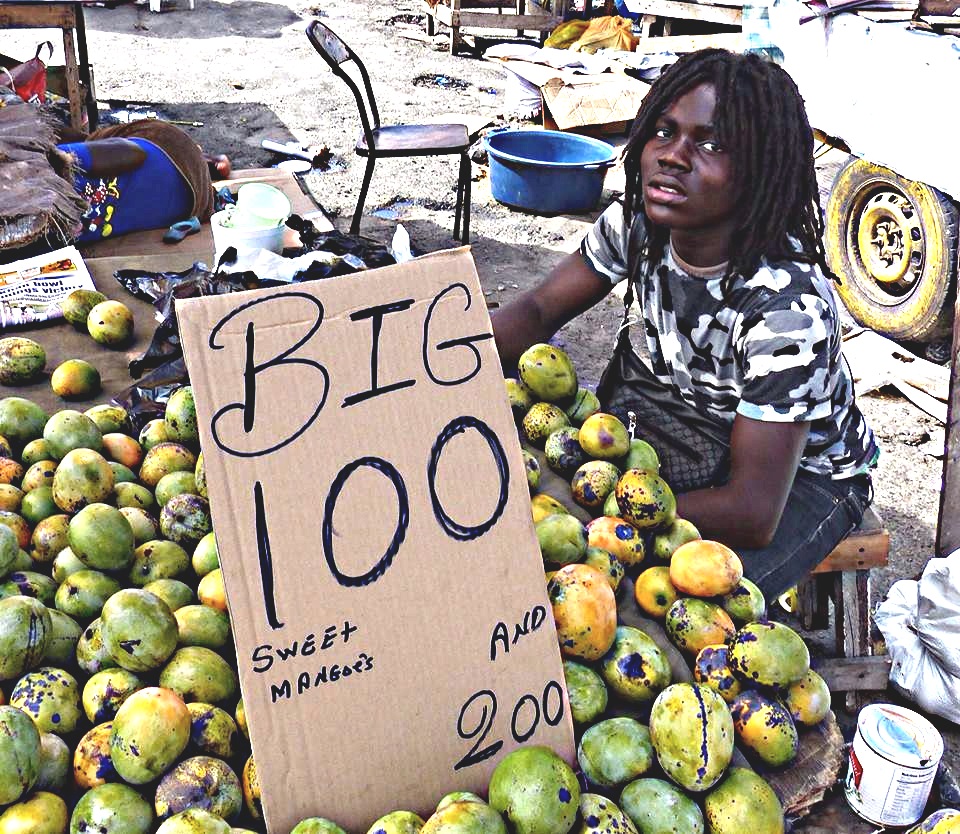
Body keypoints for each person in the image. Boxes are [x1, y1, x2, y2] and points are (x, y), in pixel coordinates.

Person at [491, 49, 880, 599]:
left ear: (759, 170)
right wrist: (449, 355)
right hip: (685, 414)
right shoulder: (639, 223)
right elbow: (535, 312)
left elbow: (751, 512)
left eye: (711, 144)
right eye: (663, 131)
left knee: (652, 603)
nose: (672, 156)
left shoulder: (786, 311)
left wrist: (601, 512)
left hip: (796, 480)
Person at [56, 119, 228, 243]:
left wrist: (63, 159)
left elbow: (132, 152)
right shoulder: (41, 238)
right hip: (195, 204)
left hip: (171, 151)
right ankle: (207, 161)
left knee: (94, 146)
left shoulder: (56, 161)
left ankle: (208, 160)